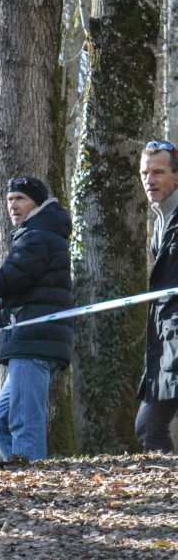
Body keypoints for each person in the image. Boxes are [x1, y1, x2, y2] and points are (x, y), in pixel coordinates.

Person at [0, 176, 73, 461]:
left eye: (20, 198)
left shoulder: (38, 237)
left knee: (23, 422)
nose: (13, 205)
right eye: (9, 200)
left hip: (34, 343)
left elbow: (4, 280)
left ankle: (33, 488)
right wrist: (3, 308)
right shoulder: (33, 234)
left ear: (37, 202)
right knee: (4, 420)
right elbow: (28, 288)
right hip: (29, 340)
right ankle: (21, 479)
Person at [136, 141, 178, 452]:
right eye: (145, 173)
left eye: (158, 172)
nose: (149, 180)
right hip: (164, 340)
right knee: (148, 426)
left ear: (176, 177)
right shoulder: (159, 219)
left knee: (151, 427)